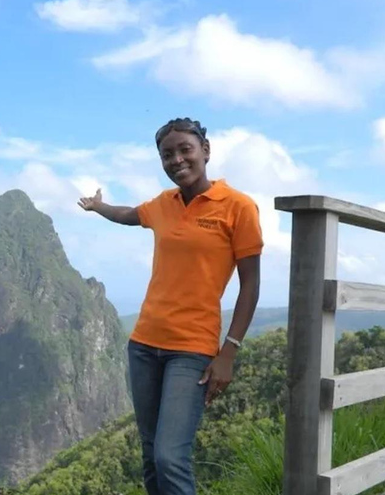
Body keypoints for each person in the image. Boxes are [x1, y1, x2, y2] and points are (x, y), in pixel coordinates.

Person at [77, 117, 263, 495]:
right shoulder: (164, 204)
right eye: (167, 154)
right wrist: (99, 206)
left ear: (205, 152)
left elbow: (251, 285)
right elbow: (130, 216)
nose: (176, 159)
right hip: (144, 343)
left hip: (192, 348)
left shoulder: (238, 207)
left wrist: (230, 350)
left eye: (184, 150)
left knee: (169, 455)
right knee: (150, 453)